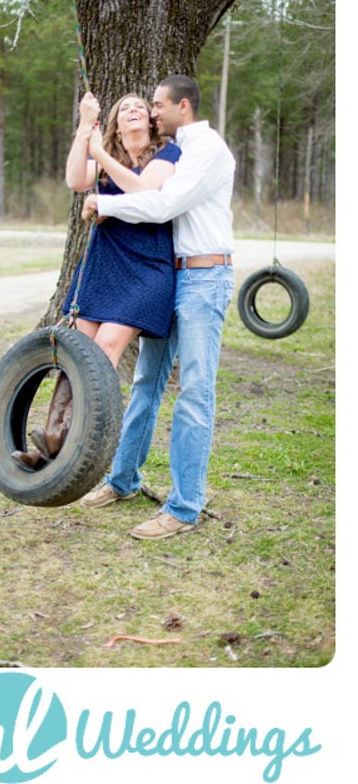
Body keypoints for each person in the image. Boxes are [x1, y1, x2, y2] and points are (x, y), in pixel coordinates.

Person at [78, 74, 236, 540]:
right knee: (147, 381)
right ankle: (123, 479)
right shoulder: (182, 148)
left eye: (157, 105)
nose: (151, 112)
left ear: (181, 106)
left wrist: (104, 203)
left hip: (204, 277)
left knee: (194, 392)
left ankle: (185, 506)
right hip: (175, 275)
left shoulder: (204, 147)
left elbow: (161, 205)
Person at [12, 91, 180, 469]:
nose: (134, 110)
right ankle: (52, 440)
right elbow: (74, 179)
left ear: (151, 121)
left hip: (148, 267)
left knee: (105, 346)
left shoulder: (167, 155)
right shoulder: (108, 158)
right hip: (105, 263)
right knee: (76, 348)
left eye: (141, 106)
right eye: (125, 109)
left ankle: (79, 447)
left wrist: (99, 154)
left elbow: (143, 188)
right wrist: (85, 125)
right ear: (116, 124)